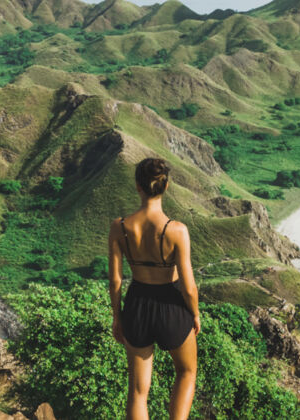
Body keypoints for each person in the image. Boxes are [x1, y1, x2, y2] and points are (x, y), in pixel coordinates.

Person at [108, 157, 200, 419]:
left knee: (138, 391)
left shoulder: (120, 227)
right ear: (166, 186)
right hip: (171, 304)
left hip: (136, 303)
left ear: (138, 186)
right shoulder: (177, 230)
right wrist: (194, 313)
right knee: (187, 372)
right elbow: (189, 286)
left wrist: (118, 317)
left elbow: (115, 279)